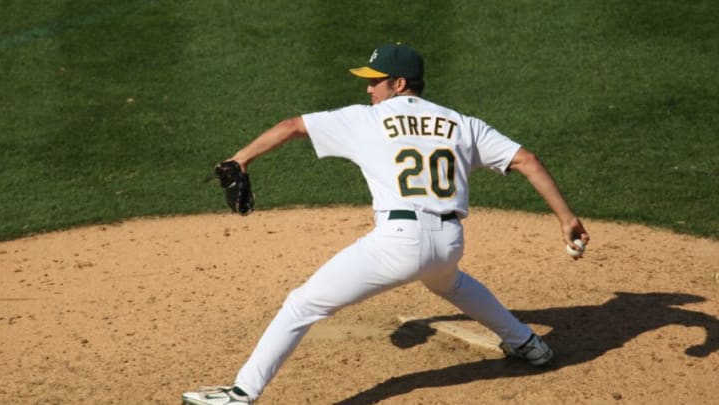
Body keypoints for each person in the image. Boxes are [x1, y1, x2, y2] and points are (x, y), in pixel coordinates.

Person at [182, 43, 589, 405]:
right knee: (448, 282)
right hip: (449, 241)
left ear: (398, 84)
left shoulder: (367, 119)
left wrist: (240, 159)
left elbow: (292, 127)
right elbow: (527, 160)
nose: (368, 89)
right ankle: (527, 344)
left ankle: (240, 395)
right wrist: (567, 219)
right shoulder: (462, 123)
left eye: (375, 81)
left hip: (397, 243)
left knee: (302, 304)